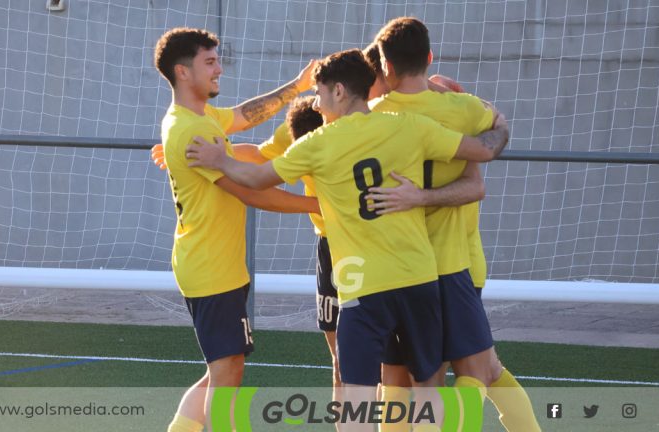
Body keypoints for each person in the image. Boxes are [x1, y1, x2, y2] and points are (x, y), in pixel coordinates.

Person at [185, 48, 509, 431]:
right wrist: (500, 123)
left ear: (339, 91)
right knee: (428, 388)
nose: (317, 105)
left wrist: (219, 161)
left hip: (363, 289)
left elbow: (256, 178)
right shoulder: (408, 126)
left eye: (319, 94)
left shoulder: (318, 142)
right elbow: (485, 150)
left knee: (354, 396)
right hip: (419, 279)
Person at [368, 17, 541, 432]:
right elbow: (498, 130)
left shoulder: (371, 117)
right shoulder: (464, 110)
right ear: (429, 57)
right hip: (451, 264)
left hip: (391, 268)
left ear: (384, 65)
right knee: (477, 370)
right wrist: (495, 123)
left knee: (400, 376)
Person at [153, 27, 319, 432]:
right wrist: (319, 205)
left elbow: (245, 116)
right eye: (209, 62)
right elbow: (250, 190)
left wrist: (295, 87)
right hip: (211, 266)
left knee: (220, 369)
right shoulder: (192, 130)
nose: (219, 69)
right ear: (183, 72)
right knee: (227, 372)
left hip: (213, 263)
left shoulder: (199, 117)